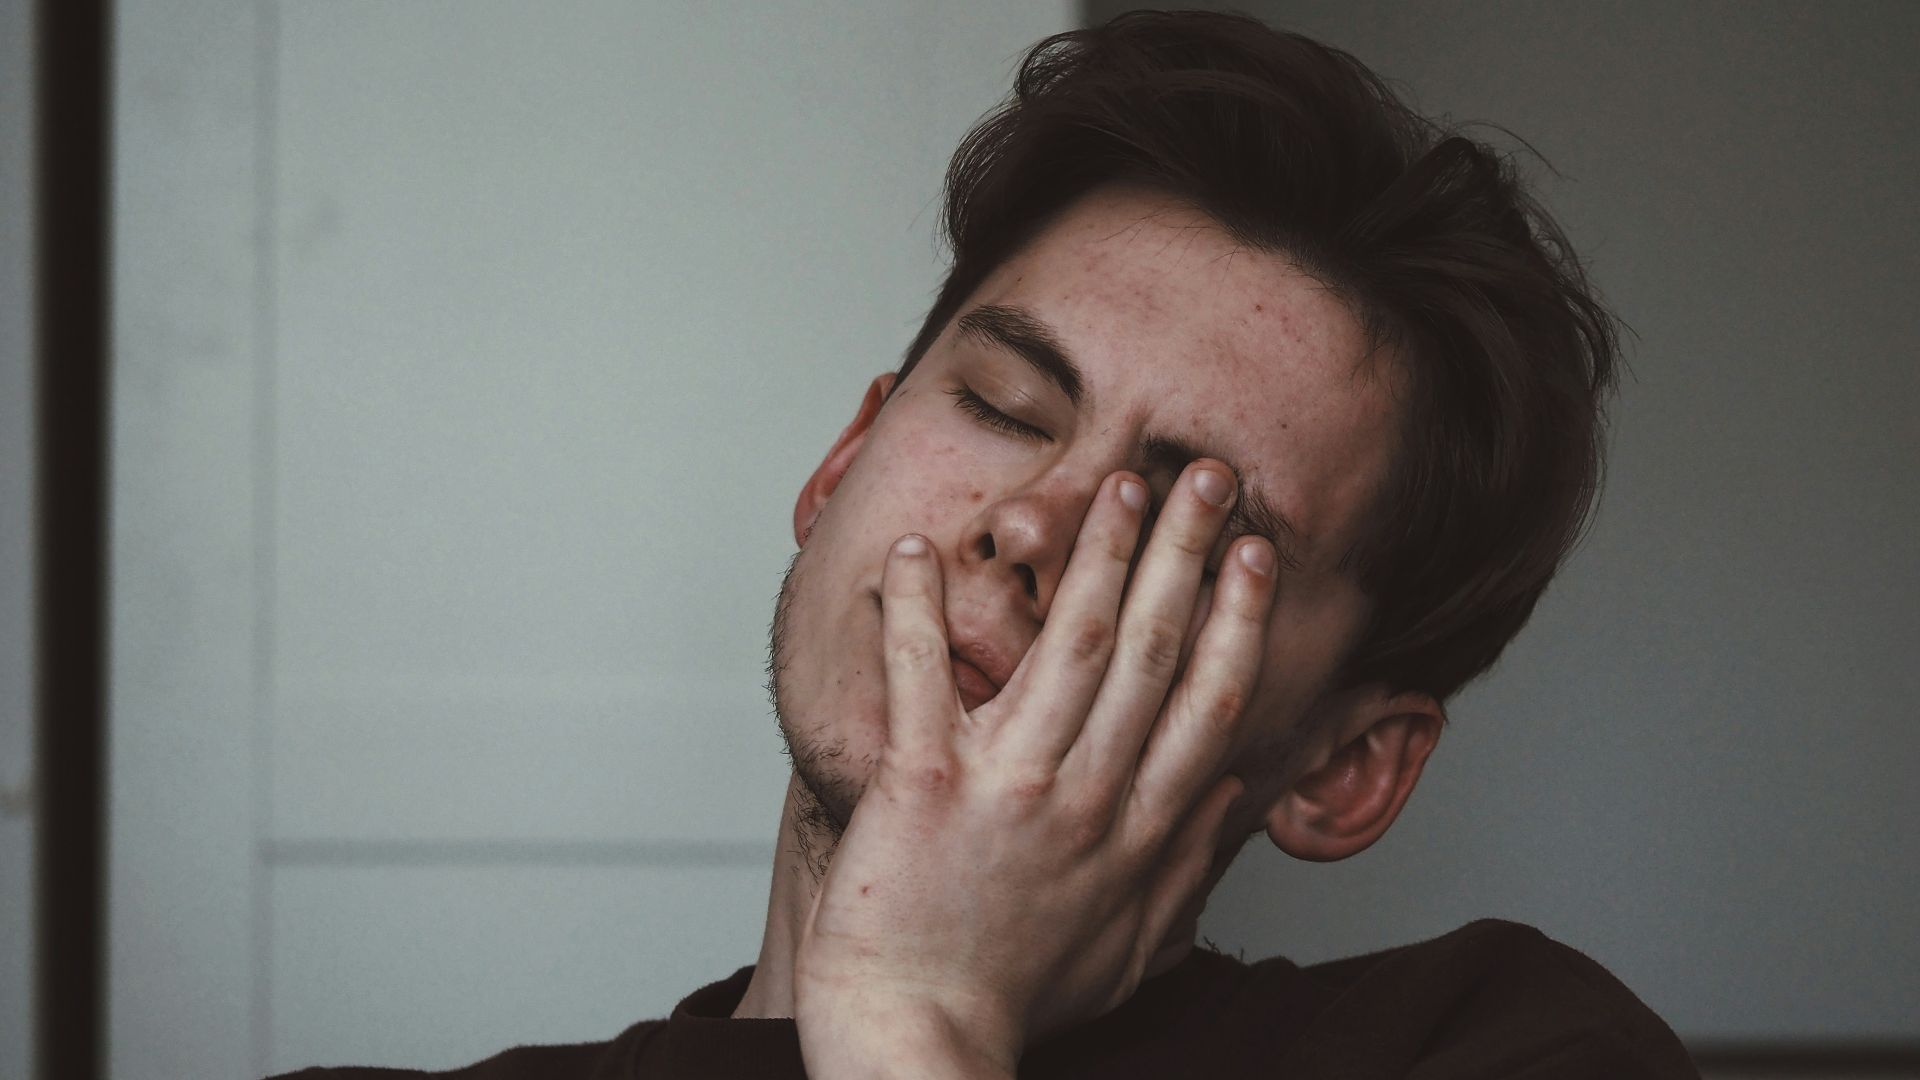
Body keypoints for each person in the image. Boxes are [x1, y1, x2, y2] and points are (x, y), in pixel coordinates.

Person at [280, 10, 1698, 1079]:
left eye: (1196, 524)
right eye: (1004, 406)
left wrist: (918, 1016)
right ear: (843, 465)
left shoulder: (1506, 1049)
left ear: (1345, 767)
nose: (1031, 526)